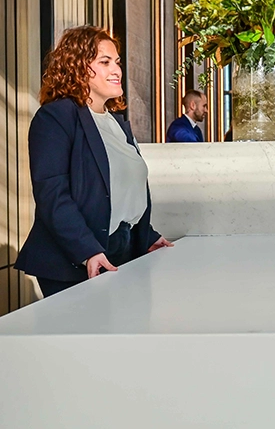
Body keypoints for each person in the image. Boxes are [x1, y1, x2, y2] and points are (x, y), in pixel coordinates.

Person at [15, 26, 173, 297]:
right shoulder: (56, 117)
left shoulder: (117, 124)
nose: (116, 70)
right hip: (74, 260)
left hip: (120, 251)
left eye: (117, 62)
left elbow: (126, 190)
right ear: (77, 67)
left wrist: (146, 236)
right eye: (105, 62)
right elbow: (52, 195)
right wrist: (87, 251)